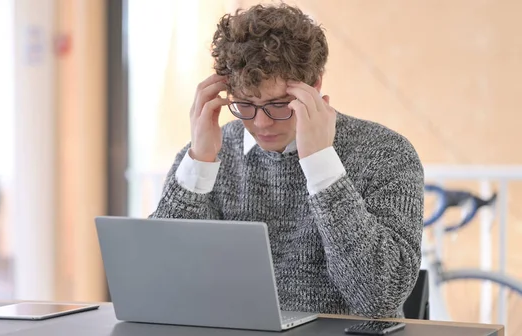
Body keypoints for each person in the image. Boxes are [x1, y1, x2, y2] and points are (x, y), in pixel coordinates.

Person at [150, 3, 424, 319]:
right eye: (245, 105)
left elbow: (380, 298)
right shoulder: (210, 153)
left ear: (315, 84)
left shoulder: (385, 153)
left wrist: (322, 166)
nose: (262, 124)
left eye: (278, 105)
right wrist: (198, 163)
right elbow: (159, 282)